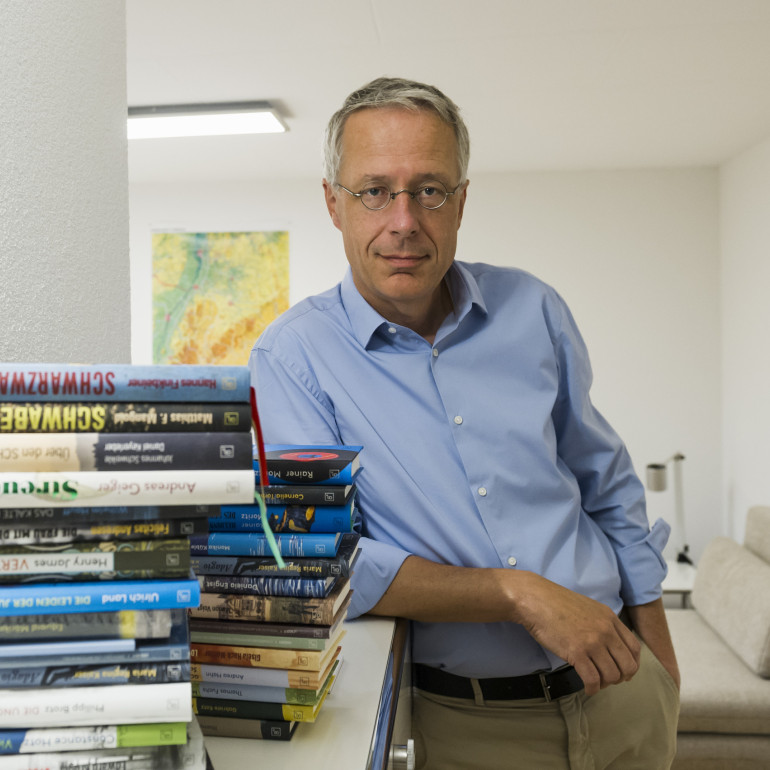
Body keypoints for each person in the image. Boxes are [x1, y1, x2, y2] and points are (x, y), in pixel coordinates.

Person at [249, 76, 680, 769]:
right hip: (466, 727)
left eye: (429, 189)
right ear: (333, 203)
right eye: (374, 190)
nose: (404, 220)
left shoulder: (533, 308)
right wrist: (517, 594)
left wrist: (660, 661)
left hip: (625, 692)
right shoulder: (292, 359)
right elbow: (321, 558)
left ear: (461, 201)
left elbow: (605, 483)